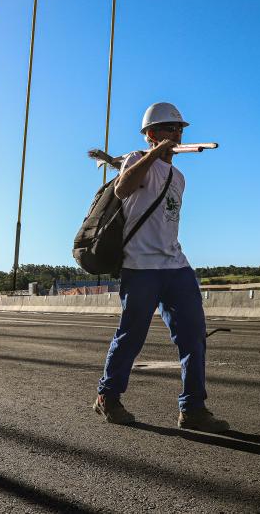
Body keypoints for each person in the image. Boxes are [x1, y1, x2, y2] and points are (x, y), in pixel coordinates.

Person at [93, 102, 229, 433]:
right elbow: (123, 188)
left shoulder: (179, 178)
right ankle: (107, 397)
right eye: (170, 128)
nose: (178, 134)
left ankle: (193, 408)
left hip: (175, 265)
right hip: (140, 267)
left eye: (180, 129)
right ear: (152, 134)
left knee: (194, 335)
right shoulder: (136, 159)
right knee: (131, 335)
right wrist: (154, 154)